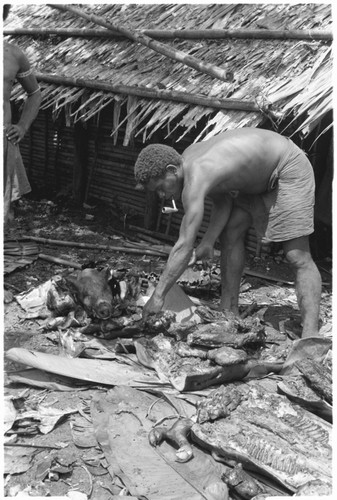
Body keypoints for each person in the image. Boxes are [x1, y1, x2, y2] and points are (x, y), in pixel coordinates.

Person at [134, 127, 322, 339]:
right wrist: (208, 241)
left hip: (287, 167)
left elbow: (184, 245)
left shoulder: (196, 176)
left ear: (171, 170)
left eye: (160, 187)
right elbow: (223, 201)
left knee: (297, 256)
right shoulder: (186, 161)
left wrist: (158, 296)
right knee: (230, 233)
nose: (161, 195)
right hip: (255, 183)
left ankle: (310, 335)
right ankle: (228, 312)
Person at [3, 4, 41, 230]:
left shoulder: (13, 55)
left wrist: (23, 126)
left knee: (4, 210)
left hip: (2, 142)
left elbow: (35, 94)